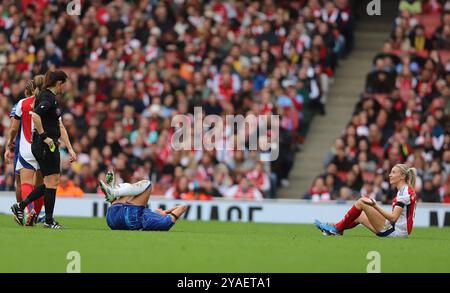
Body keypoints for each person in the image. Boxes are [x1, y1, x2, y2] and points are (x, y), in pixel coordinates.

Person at [11, 70, 77, 229]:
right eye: (64, 84)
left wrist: (68, 147)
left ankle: (22, 206)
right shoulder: (48, 98)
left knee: (50, 182)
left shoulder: (48, 97)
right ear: (59, 83)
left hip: (44, 145)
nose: (64, 88)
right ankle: (48, 220)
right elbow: (35, 115)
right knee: (52, 182)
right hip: (46, 145)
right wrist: (45, 137)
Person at [315, 164, 417, 238]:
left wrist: (375, 205)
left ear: (403, 176)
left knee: (362, 202)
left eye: (393, 172)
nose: (390, 175)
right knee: (359, 215)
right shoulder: (405, 190)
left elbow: (393, 218)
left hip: (396, 233)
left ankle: (336, 229)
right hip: (396, 230)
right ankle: (337, 229)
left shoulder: (404, 192)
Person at [5, 76, 46, 226]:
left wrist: (9, 145)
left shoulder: (22, 103)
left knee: (23, 182)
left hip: (24, 146)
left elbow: (13, 128)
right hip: (43, 147)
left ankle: (27, 210)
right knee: (41, 184)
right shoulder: (49, 102)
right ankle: (34, 213)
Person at [99, 172, 186, 231]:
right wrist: (163, 212)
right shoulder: (155, 219)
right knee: (130, 190)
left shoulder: (164, 223)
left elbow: (182, 207)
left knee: (147, 184)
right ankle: (113, 192)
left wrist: (166, 213)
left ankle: (114, 191)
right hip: (112, 220)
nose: (160, 208)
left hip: (131, 218)